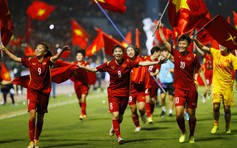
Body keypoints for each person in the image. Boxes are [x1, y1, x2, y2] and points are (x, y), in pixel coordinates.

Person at [79, 45, 163, 144]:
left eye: (120, 51)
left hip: (125, 93)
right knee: (115, 114)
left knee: (120, 117)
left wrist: (157, 62)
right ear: (113, 54)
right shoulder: (109, 64)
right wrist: (81, 67)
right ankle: (119, 137)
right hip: (113, 93)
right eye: (116, 51)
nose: (118, 53)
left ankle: (114, 126)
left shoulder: (127, 63)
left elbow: (142, 63)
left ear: (122, 54)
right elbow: (94, 69)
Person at [0, 42, 70, 148]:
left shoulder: (48, 60)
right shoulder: (30, 61)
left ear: (45, 52)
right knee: (32, 115)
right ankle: (31, 141)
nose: (37, 49)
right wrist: (4, 50)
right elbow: (16, 58)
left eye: (40, 48)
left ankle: (36, 139)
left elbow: (55, 58)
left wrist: (62, 52)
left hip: (44, 93)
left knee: (40, 118)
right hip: (32, 91)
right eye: (36, 48)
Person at [158, 27, 209, 144]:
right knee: (178, 115)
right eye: (180, 43)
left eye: (183, 44)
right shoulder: (175, 54)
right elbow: (165, 42)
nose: (181, 45)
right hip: (179, 89)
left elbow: (200, 71)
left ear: (188, 45)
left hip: (191, 89)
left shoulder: (194, 57)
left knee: (191, 114)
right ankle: (183, 132)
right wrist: (160, 28)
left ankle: (192, 135)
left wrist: (206, 86)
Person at [192, 37, 237, 134]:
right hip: (216, 85)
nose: (220, 46)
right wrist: (195, 40)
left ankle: (227, 126)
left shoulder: (232, 58)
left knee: (227, 109)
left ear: (228, 47)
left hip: (228, 86)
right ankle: (215, 124)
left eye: (223, 45)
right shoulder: (215, 52)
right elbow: (203, 47)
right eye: (220, 44)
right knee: (216, 107)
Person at [126, 45, 149, 132]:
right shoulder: (125, 62)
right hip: (130, 90)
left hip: (140, 89)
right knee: (133, 110)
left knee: (141, 108)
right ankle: (138, 125)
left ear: (135, 51)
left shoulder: (140, 61)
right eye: (128, 51)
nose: (130, 52)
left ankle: (143, 114)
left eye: (132, 50)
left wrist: (146, 87)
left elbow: (146, 74)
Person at [70, 49, 91, 120]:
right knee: (80, 101)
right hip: (76, 85)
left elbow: (89, 69)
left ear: (83, 56)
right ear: (76, 56)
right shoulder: (73, 64)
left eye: (80, 55)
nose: (79, 56)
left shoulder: (86, 63)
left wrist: (84, 67)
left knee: (83, 98)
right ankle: (84, 111)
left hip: (84, 84)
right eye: (77, 55)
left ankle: (82, 114)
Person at [143, 46, 161, 123]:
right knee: (147, 99)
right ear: (155, 52)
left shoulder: (157, 62)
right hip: (146, 83)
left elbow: (157, 71)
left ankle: (151, 114)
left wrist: (153, 73)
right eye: (159, 52)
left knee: (152, 101)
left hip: (153, 84)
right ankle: (149, 117)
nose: (160, 54)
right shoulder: (146, 58)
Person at [158, 47, 175, 117]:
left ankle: (170, 112)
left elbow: (175, 69)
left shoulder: (171, 60)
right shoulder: (159, 60)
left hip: (171, 81)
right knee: (162, 97)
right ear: (161, 52)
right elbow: (156, 68)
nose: (165, 53)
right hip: (162, 82)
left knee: (171, 97)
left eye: (166, 51)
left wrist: (172, 70)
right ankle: (163, 109)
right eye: (164, 51)